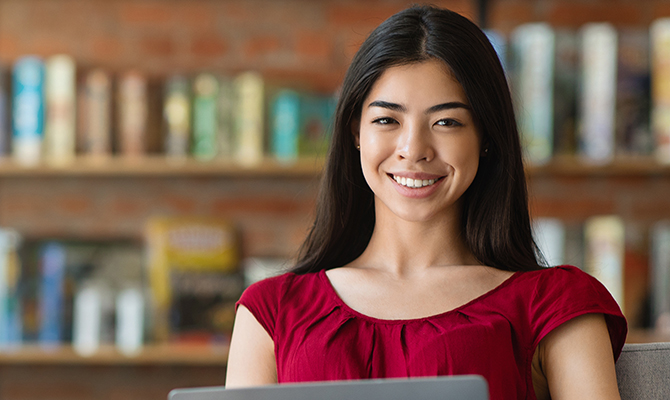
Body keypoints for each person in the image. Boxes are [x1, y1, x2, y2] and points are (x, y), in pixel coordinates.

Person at [225, 5, 627, 400]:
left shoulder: (556, 304)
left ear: (485, 137)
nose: (413, 149)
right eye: (387, 120)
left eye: (446, 122)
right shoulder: (271, 311)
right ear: (355, 131)